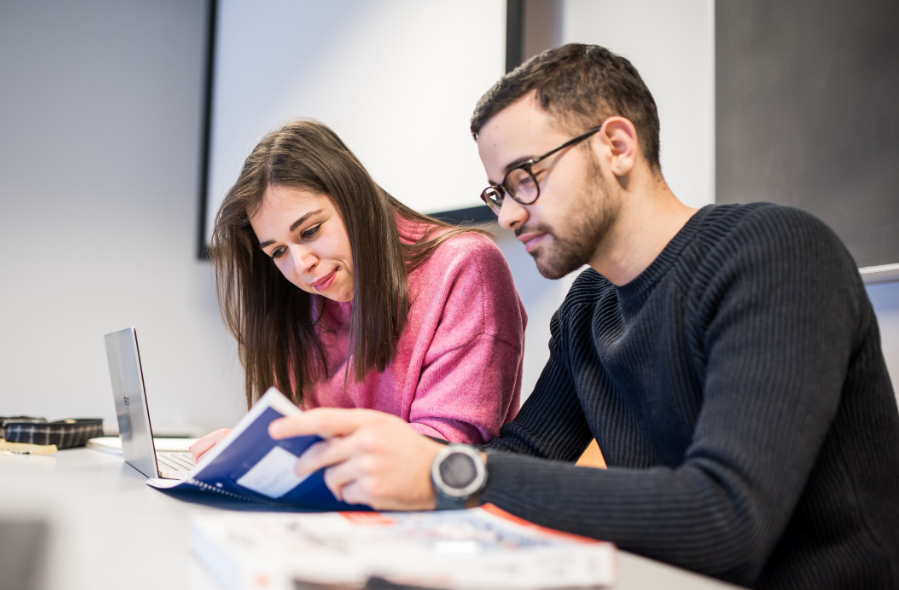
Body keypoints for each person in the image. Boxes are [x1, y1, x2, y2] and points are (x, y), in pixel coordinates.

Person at [265, 45, 899, 590]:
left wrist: (445, 471)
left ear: (616, 146)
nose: (509, 216)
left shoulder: (776, 252)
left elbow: (724, 519)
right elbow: (522, 456)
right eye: (497, 192)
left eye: (523, 178)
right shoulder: (588, 308)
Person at [190, 120, 526, 460]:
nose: (300, 264)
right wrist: (258, 451)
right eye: (278, 251)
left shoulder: (465, 266)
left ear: (353, 197)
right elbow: (294, 437)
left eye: (310, 231)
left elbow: (441, 454)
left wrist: (301, 454)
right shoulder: (299, 299)